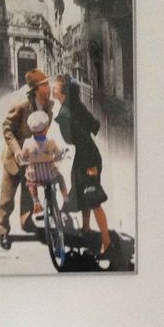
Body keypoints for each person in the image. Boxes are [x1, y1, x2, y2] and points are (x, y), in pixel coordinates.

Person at [52, 74, 111, 256]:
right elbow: (95, 125)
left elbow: (79, 139)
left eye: (55, 87)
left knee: (93, 199)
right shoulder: (75, 105)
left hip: (88, 159)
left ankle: (107, 242)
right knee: (83, 192)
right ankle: (86, 228)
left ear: (63, 92)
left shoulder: (66, 114)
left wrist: (90, 167)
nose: (53, 88)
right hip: (87, 156)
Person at [0, 68, 53, 249]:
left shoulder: (48, 105)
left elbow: (45, 127)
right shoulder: (21, 105)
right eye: (45, 85)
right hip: (14, 158)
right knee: (7, 198)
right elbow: (7, 128)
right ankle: (3, 230)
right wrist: (17, 150)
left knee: (29, 192)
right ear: (36, 89)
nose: (49, 88)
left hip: (32, 156)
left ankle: (26, 221)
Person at [19, 110, 68, 216]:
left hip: (35, 176)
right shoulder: (51, 142)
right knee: (60, 178)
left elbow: (23, 157)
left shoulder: (27, 143)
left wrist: (25, 159)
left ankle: (36, 202)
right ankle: (66, 199)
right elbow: (58, 155)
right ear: (46, 129)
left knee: (30, 182)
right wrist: (59, 156)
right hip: (49, 175)